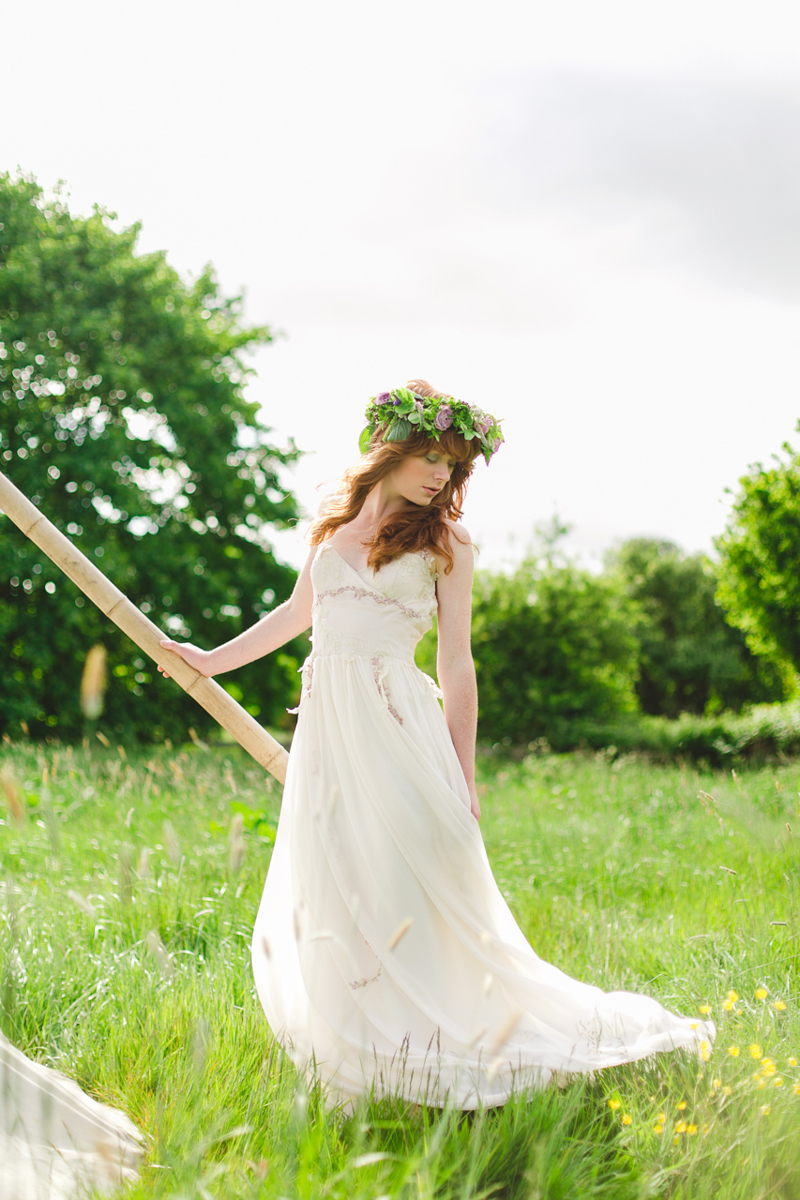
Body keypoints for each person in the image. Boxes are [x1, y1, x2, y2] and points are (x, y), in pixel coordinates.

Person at [160, 380, 715, 1109]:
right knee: (339, 881)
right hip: (331, 734)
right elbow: (294, 617)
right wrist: (207, 660)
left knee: (404, 880)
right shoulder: (329, 536)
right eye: (430, 457)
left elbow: (457, 665)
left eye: (452, 466)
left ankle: (445, 1035)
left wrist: (464, 774)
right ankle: (368, 1054)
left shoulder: (448, 543)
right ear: (388, 449)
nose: (440, 475)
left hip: (398, 728)